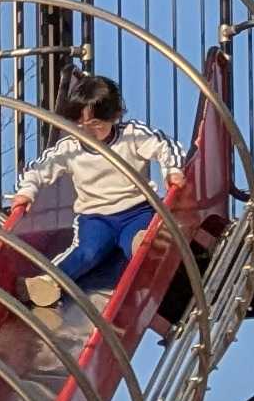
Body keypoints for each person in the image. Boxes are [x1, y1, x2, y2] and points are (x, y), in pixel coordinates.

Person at [22, 71, 181, 294]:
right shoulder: (70, 148)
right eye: (79, 124)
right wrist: (27, 191)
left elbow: (165, 146)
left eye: (95, 123)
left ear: (114, 116)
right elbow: (39, 169)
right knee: (87, 252)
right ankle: (49, 282)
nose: (87, 130)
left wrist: (172, 170)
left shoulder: (131, 135)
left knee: (139, 246)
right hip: (96, 217)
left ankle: (146, 245)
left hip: (137, 211)